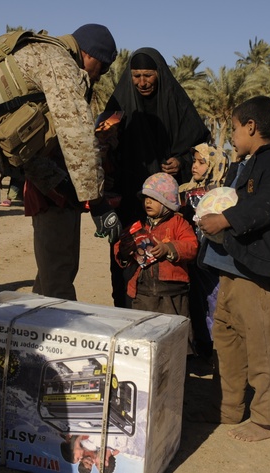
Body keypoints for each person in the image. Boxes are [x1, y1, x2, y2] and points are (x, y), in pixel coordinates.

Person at [0, 23, 117, 407]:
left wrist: (59, 185)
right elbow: (76, 133)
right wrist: (94, 199)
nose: (96, 78)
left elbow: (20, 144)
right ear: (93, 58)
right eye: (102, 70)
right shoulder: (61, 61)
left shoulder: (27, 54)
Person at [197, 95, 270, 442]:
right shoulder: (242, 165)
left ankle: (267, 421)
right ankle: (227, 408)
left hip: (255, 275)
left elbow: (269, 207)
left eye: (235, 129)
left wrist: (224, 218)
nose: (232, 137)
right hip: (229, 272)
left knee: (263, 349)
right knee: (226, 344)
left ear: (251, 127)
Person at [101, 47, 209, 307]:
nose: (142, 82)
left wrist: (181, 162)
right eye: (136, 76)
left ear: (159, 74)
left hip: (171, 207)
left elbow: (199, 146)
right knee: (127, 263)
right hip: (130, 201)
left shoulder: (177, 103)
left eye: (148, 75)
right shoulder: (120, 103)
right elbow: (105, 144)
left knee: (171, 265)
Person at [114, 172, 197, 317]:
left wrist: (168, 248)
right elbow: (121, 250)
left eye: (153, 198)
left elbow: (191, 246)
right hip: (142, 294)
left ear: (167, 201)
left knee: (173, 332)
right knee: (143, 332)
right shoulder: (138, 225)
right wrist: (124, 251)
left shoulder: (179, 224)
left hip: (172, 294)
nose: (147, 202)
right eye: (146, 198)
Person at [178, 142, 231, 362]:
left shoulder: (223, 195)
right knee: (192, 301)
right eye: (194, 162)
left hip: (213, 258)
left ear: (215, 165)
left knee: (214, 301)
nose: (195, 166)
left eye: (202, 162)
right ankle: (195, 344)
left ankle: (212, 347)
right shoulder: (183, 190)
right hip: (190, 255)